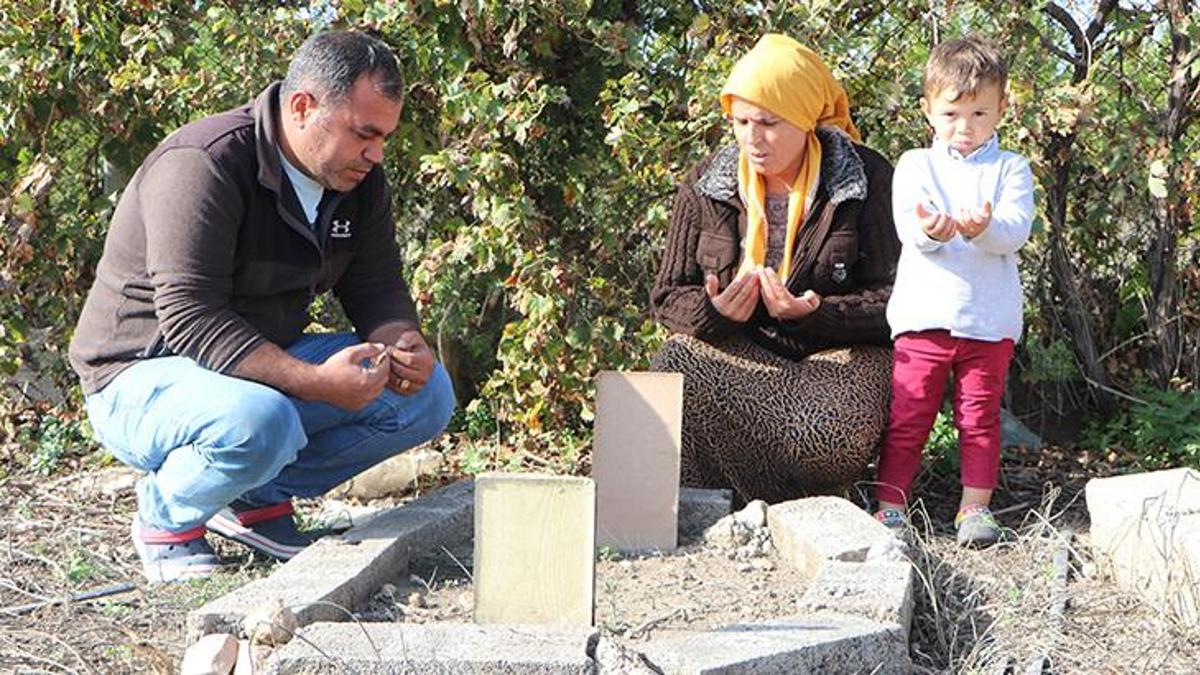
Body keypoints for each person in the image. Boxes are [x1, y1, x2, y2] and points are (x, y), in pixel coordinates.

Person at [68, 31, 456, 583]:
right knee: (258, 419)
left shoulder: (357, 180)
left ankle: (252, 499)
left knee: (426, 396)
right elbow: (189, 316)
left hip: (249, 369)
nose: (376, 153)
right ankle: (167, 517)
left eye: (385, 137)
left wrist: (401, 341)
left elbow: (376, 285)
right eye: (364, 134)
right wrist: (316, 382)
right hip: (138, 373)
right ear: (303, 107)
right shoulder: (204, 163)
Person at [650, 34, 900, 505]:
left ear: (805, 121)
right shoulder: (707, 183)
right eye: (740, 122)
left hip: (842, 361)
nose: (751, 138)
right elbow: (668, 296)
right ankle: (764, 503)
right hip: (745, 355)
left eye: (768, 122)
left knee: (824, 437)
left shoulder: (866, 177)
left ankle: (775, 496)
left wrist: (815, 312)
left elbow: (899, 298)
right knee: (672, 365)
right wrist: (716, 312)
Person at [873, 37, 1034, 547]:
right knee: (909, 414)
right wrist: (935, 232)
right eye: (951, 114)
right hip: (924, 318)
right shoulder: (916, 165)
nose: (964, 128)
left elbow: (1015, 231)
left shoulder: (1012, 168)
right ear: (928, 111)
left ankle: (974, 509)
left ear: (1003, 108)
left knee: (980, 417)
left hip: (989, 321)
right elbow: (909, 227)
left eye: (979, 113)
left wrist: (984, 227)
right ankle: (891, 505)